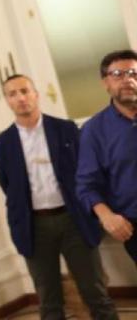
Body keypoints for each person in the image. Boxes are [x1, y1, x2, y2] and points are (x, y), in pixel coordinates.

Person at [0, 74, 116, 320]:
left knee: (95, 291)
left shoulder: (66, 130)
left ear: (36, 94)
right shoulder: (2, 144)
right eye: (13, 94)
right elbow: (9, 186)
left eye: (25, 91)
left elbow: (87, 172)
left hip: (74, 221)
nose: (21, 98)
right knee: (48, 300)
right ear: (7, 101)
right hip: (34, 227)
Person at [77, 49, 137, 265]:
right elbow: (86, 185)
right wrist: (106, 216)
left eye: (133, 73)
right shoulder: (93, 131)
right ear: (105, 83)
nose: (127, 79)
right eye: (118, 75)